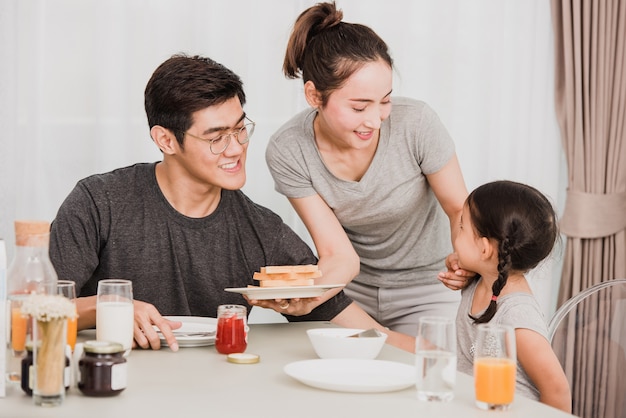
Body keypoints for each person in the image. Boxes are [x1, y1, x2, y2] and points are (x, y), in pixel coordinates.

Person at [49, 54, 414, 353]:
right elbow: (31, 312)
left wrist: (429, 350)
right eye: (216, 137)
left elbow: (353, 326)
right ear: (166, 140)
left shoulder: (261, 230)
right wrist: (108, 308)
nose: (237, 148)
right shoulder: (98, 203)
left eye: (240, 129)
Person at [265, 1, 470, 335]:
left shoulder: (416, 123)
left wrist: (464, 256)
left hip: (430, 286)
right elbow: (336, 254)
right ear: (314, 96)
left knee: (433, 373)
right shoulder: (288, 149)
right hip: (351, 290)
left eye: (385, 100)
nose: (375, 120)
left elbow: (459, 208)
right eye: (359, 107)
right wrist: (309, 298)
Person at [454, 180, 571, 412]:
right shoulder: (479, 282)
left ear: (485, 249)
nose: (456, 234)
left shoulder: (517, 316)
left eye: (461, 228)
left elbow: (557, 391)